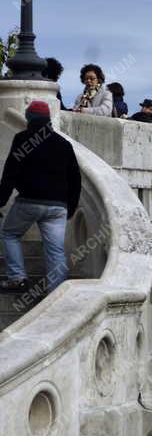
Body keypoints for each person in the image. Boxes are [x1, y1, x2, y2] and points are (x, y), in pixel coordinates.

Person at [0, 101, 81, 293]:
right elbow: (75, 178)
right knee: (55, 250)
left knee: (10, 234)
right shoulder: (63, 144)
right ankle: (56, 292)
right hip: (58, 206)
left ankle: (17, 278)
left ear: (29, 119)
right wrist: (71, 206)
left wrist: (1, 201)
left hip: (29, 201)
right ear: (48, 120)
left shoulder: (22, 139)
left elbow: (10, 173)